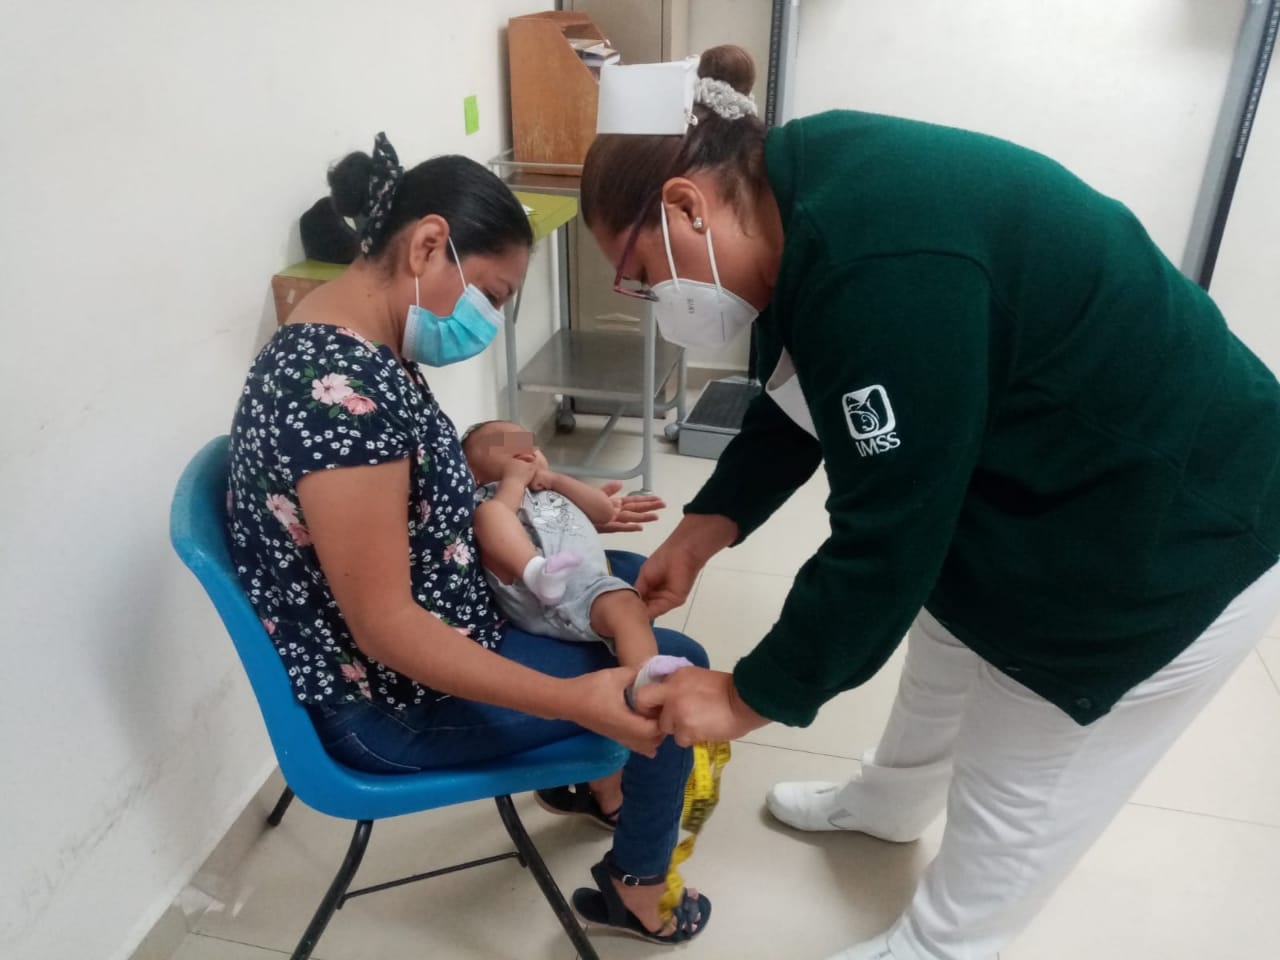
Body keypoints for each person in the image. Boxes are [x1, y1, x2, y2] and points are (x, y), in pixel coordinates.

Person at [580, 45, 1280, 960]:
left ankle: (949, 944)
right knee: (947, 632)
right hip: (1058, 462)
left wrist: (748, 696)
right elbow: (807, 388)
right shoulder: (792, 193)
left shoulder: (882, 267)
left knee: (1022, 756)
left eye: (638, 273)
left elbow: (886, 544)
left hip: (1172, 520)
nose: (649, 298)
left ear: (685, 206)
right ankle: (891, 800)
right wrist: (707, 528)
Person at [225, 133, 710, 943]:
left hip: (441, 625)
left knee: (623, 578)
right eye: (490, 293)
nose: (485, 320)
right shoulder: (337, 401)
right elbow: (388, 629)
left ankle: (601, 787)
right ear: (427, 245)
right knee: (673, 672)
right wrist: (575, 700)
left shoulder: (350, 343)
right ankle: (639, 887)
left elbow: (423, 488)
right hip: (391, 705)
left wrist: (549, 489)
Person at [463, 420, 660, 672]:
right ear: (472, 473)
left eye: (528, 442)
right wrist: (514, 481)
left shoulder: (553, 487)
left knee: (629, 606)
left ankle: (646, 679)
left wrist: (555, 479)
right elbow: (501, 516)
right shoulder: (488, 496)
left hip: (589, 588)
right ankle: (537, 572)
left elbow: (604, 512)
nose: (523, 449)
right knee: (490, 514)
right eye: (502, 443)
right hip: (527, 591)